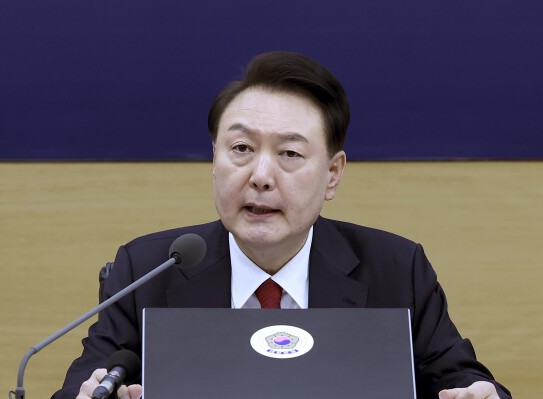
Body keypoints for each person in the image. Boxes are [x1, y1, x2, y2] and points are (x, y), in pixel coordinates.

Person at [53, 51, 511, 399]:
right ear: (214, 159)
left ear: (332, 174)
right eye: (240, 149)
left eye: (289, 154)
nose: (260, 176)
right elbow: (86, 381)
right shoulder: (148, 269)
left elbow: (464, 380)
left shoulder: (396, 269)